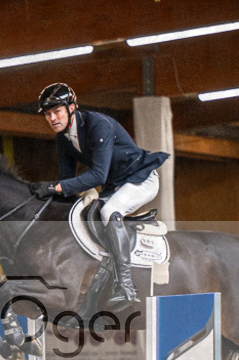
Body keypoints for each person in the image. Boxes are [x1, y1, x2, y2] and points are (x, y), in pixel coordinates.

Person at [30, 83, 169, 307]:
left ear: (72, 107)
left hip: (140, 179)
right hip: (115, 186)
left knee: (109, 211)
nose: (52, 118)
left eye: (57, 111)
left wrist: (54, 187)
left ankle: (125, 285)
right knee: (83, 213)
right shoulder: (62, 138)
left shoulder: (98, 125)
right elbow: (67, 180)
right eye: (48, 114)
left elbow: (97, 175)